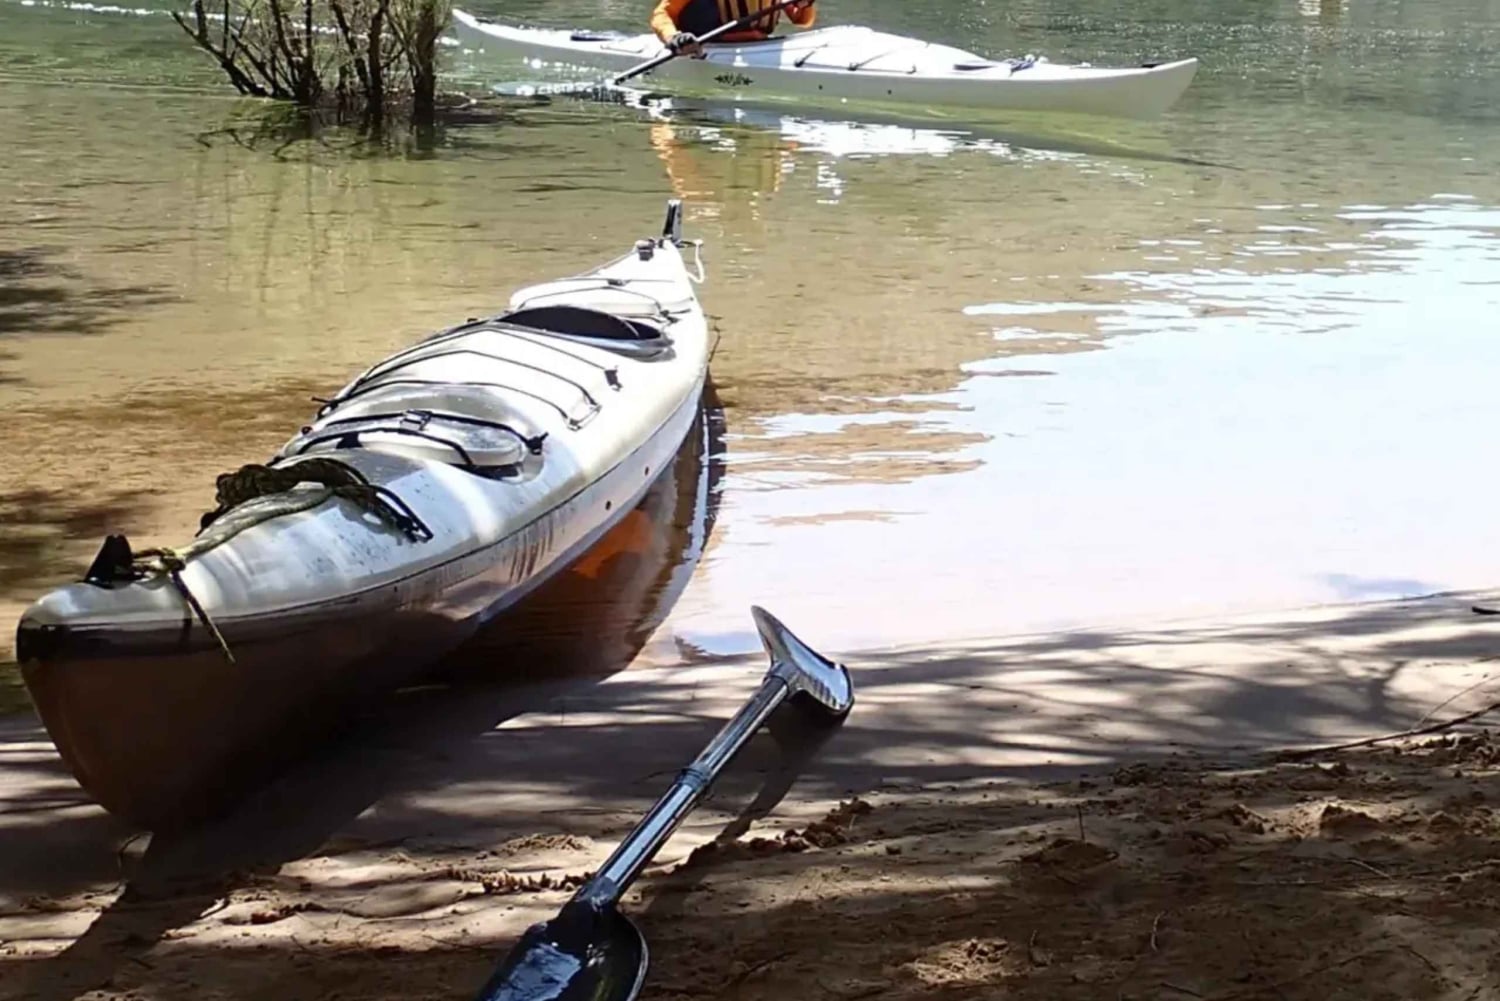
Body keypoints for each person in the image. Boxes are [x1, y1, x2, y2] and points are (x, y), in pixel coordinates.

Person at [650, 0, 817, 57]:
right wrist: (673, 37)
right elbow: (662, 13)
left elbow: (801, 20)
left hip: (757, 44)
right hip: (706, 41)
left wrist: (805, 5)